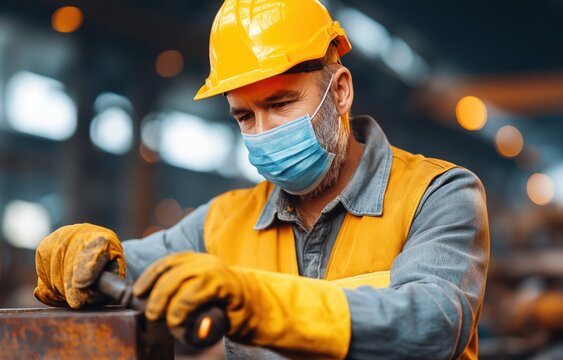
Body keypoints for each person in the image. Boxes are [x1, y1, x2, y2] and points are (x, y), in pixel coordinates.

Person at [33, 0, 490, 358]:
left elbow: (433, 324)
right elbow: (129, 275)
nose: (264, 131)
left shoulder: (438, 194)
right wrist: (81, 256)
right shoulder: (224, 222)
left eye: (281, 104)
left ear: (342, 90)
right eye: (245, 117)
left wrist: (256, 302)